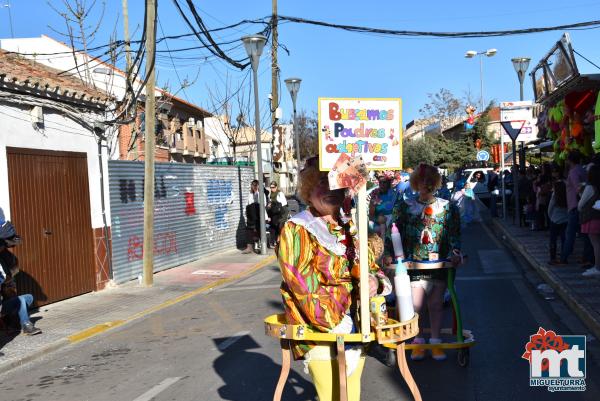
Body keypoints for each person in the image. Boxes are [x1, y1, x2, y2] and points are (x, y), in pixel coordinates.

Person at [276, 156, 391, 401]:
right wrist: (338, 324)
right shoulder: (297, 229)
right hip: (323, 333)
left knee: (352, 394)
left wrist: (374, 282)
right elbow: (302, 286)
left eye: (336, 183)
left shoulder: (350, 226)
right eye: (322, 183)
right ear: (308, 190)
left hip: (357, 329)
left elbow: (373, 269)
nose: (330, 190)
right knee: (331, 397)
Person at [386, 164, 462, 362]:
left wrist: (455, 251)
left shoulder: (447, 207)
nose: (425, 185)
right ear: (415, 183)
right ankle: (418, 341)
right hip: (413, 264)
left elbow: (454, 233)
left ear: (435, 183)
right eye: (421, 182)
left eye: (429, 181)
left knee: (436, 304)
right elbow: (392, 230)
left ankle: (436, 342)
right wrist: (389, 252)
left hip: (438, 264)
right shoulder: (405, 206)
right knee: (415, 305)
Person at [556, 152, 587, 265]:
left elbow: (578, 187)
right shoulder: (583, 170)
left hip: (575, 206)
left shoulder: (573, 172)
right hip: (582, 205)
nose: (565, 162)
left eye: (567, 160)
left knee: (570, 233)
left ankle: (564, 258)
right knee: (584, 234)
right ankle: (586, 257)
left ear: (570, 160)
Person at [578, 164, 600, 277]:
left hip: (592, 217)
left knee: (595, 243)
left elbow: (580, 204)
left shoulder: (589, 187)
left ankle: (597, 267)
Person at [368, 171, 399, 239]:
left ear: (389, 183)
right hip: (379, 223)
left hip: (393, 224)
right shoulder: (375, 193)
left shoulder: (394, 193)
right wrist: (377, 219)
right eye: (380, 182)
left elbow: (398, 212)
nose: (382, 184)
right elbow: (371, 215)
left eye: (384, 182)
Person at [242, 180, 268, 254]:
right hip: (251, 215)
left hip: (259, 215)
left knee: (260, 230)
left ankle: (262, 247)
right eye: (253, 185)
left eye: (255, 185)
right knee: (249, 230)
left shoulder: (261, 194)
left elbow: (264, 204)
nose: (254, 187)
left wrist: (257, 193)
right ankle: (249, 247)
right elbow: (248, 203)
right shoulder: (250, 194)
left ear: (258, 186)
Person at [548, 180, 568, 264]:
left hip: (555, 220)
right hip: (565, 220)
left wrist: (551, 217)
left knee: (553, 240)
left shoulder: (554, 196)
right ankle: (564, 258)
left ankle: (553, 258)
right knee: (564, 239)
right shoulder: (567, 195)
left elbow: (550, 208)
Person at [266, 181, 288, 247]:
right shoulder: (271, 194)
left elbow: (284, 204)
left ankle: (282, 241)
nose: (272, 189)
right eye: (271, 187)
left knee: (280, 226)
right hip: (275, 213)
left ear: (276, 187)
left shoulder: (280, 194)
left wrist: (275, 204)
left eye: (273, 187)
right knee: (274, 227)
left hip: (282, 213)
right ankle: (276, 241)